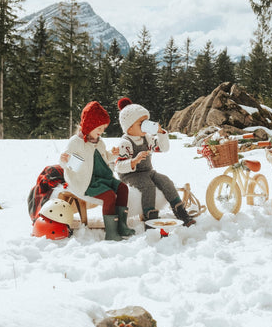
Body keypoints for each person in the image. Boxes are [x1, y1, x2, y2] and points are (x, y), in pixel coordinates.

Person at [59, 101, 134, 241]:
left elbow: (103, 158)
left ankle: (122, 225)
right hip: (86, 181)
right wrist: (64, 160)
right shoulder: (76, 142)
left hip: (102, 177)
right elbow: (65, 162)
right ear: (89, 125)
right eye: (98, 128)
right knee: (110, 196)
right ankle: (111, 232)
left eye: (103, 128)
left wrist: (113, 154)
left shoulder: (99, 142)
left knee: (123, 188)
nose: (101, 131)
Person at [114, 98, 195, 227]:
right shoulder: (126, 143)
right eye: (141, 123)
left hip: (148, 171)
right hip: (131, 175)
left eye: (146, 122)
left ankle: (181, 213)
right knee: (148, 187)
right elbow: (118, 167)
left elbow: (163, 148)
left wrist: (161, 133)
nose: (145, 126)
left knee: (166, 181)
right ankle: (150, 218)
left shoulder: (147, 138)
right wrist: (134, 161)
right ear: (129, 127)